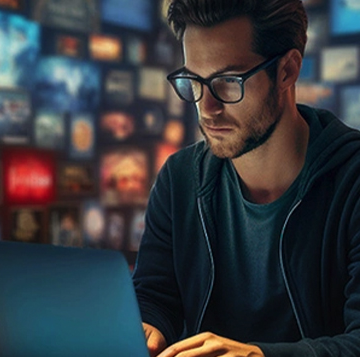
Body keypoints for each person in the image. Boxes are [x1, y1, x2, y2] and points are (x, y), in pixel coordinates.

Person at [132, 0, 360, 356]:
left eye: (227, 81)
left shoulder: (354, 180)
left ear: (287, 71)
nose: (206, 107)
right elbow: (155, 297)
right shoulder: (179, 179)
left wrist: (259, 355)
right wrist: (145, 327)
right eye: (194, 80)